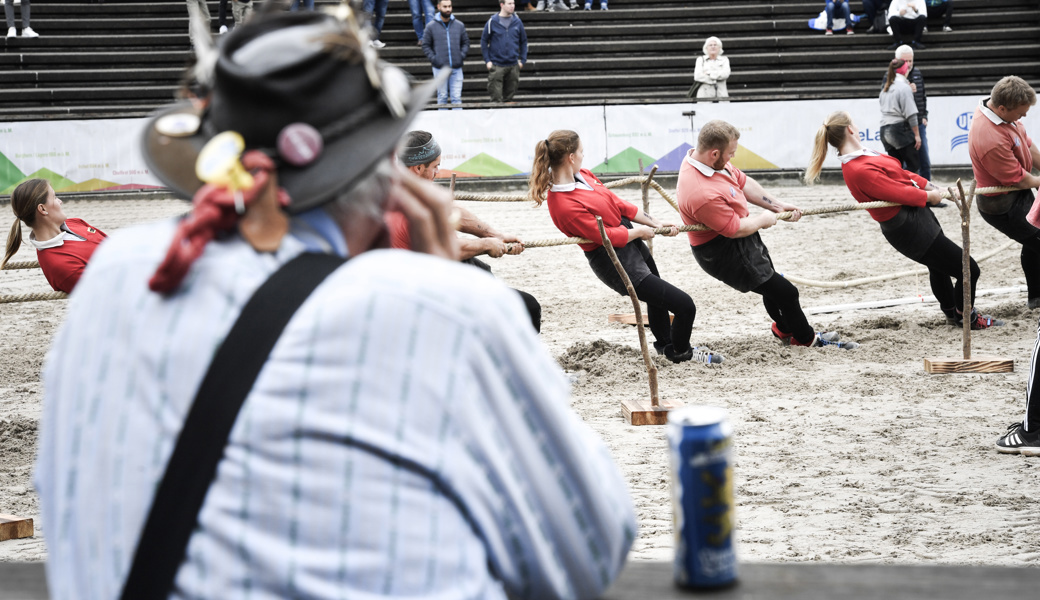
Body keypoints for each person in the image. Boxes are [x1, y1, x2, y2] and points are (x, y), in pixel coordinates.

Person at [35, 11, 635, 600]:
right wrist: (446, 286)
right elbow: (587, 548)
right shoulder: (452, 311)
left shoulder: (120, 273)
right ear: (380, 164)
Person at [805, 111, 1003, 330]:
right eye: (855, 124)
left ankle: (952, 313)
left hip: (914, 218)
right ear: (850, 129)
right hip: (907, 227)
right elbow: (898, 192)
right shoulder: (857, 168)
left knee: (938, 267)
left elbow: (903, 175)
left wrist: (936, 188)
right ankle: (967, 317)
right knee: (969, 268)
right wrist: (930, 196)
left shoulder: (863, 156)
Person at [676, 120, 856, 349]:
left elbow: (742, 182)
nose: (732, 157)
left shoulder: (706, 160)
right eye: (731, 153)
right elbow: (734, 229)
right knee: (786, 292)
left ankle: (785, 329)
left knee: (771, 285)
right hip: (721, 250)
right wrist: (763, 219)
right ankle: (807, 340)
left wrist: (777, 206)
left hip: (737, 235)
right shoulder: (701, 193)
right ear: (714, 153)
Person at [530, 129, 701, 363]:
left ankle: (667, 347)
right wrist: (639, 232)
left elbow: (619, 205)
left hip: (629, 237)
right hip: (611, 257)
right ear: (570, 157)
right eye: (581, 152)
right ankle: (682, 352)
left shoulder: (584, 175)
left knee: (658, 300)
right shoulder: (562, 205)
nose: (583, 156)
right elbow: (605, 237)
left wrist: (655, 222)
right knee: (685, 306)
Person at [390, 130, 542, 331]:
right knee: (528, 307)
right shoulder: (410, 207)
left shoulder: (404, 188)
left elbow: (452, 211)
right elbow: (447, 249)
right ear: (418, 168)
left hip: (443, 275)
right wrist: (486, 244)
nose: (437, 172)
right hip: (431, 291)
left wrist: (494, 235)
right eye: (435, 166)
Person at [968, 76, 1040, 309]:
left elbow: (1027, 143)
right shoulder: (989, 138)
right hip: (1002, 205)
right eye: (1020, 113)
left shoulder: (1004, 115)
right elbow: (1019, 179)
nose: (1024, 116)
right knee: (1036, 239)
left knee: (1034, 240)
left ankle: (1036, 298)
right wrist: (1038, 181)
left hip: (1018, 192)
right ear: (1002, 108)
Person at [2, 179, 107, 294]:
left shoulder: (75, 222)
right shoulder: (58, 264)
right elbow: (106, 292)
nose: (60, 201)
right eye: (54, 197)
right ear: (42, 209)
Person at [882, 45, 931, 180]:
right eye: (905, 61)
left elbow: (923, 96)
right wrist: (906, 89)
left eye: (911, 60)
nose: (908, 64)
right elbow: (887, 98)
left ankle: (929, 189)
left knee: (924, 162)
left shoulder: (917, 73)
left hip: (917, 123)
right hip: (902, 127)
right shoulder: (890, 77)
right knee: (907, 164)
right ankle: (906, 188)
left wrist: (924, 115)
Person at [422, 0, 469, 108]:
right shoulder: (431, 26)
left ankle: (457, 119)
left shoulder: (459, 25)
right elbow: (425, 45)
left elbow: (466, 42)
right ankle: (442, 120)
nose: (448, 9)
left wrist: (460, 56)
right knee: (442, 97)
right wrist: (435, 59)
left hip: (456, 68)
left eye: (449, 6)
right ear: (438, 7)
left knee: (456, 98)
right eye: (445, 7)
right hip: (440, 68)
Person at [879, 57, 922, 175]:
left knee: (896, 167)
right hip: (898, 129)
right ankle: (909, 185)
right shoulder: (904, 88)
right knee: (913, 164)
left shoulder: (886, 88)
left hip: (884, 130)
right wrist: (917, 135)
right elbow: (911, 114)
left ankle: (895, 185)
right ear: (905, 71)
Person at [481, 0, 528, 103]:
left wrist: (523, 60)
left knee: (509, 100)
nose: (512, 6)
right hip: (497, 65)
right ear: (502, 5)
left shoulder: (517, 21)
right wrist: (487, 61)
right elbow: (484, 41)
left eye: (513, 3)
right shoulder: (492, 21)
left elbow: (523, 41)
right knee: (496, 100)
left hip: (513, 66)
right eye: (509, 4)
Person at [692, 37, 730, 101]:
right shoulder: (700, 59)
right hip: (704, 96)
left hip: (721, 95)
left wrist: (709, 73)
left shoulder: (724, 60)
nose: (713, 47)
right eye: (710, 45)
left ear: (719, 48)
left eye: (715, 45)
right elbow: (697, 76)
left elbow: (725, 74)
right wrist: (715, 79)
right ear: (706, 48)